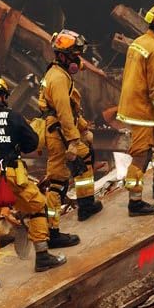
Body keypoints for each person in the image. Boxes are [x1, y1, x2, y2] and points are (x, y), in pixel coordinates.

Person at [0, 77, 67, 289]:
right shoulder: (13, 116)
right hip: (11, 175)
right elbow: (32, 143)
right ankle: (42, 256)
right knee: (37, 207)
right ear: (4, 96)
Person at [38, 29, 104, 248]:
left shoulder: (60, 73)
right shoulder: (57, 79)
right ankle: (52, 233)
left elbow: (73, 110)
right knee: (57, 182)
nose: (78, 59)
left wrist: (83, 129)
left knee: (85, 160)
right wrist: (74, 141)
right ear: (63, 56)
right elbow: (64, 113)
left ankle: (86, 204)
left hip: (62, 131)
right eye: (75, 54)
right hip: (58, 135)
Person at [116, 3, 154, 216]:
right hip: (143, 109)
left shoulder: (139, 42)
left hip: (136, 103)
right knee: (141, 154)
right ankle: (135, 203)